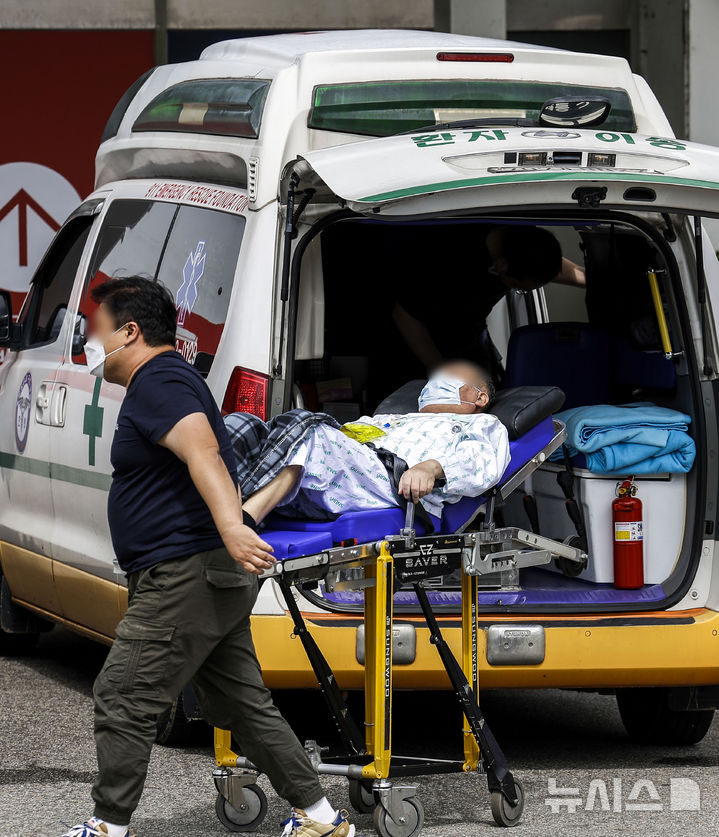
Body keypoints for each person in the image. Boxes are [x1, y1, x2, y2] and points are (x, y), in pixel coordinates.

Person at [61, 276, 356, 837]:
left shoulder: (161, 379)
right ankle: (320, 818)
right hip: (198, 573)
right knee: (242, 703)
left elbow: (203, 454)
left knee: (123, 695)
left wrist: (232, 526)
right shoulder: (165, 380)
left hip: (187, 573)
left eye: (94, 329)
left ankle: (106, 826)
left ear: (129, 331)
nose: (88, 343)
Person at [230, 361, 510, 526]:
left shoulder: (483, 424)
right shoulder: (395, 418)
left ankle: (244, 521)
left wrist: (431, 468)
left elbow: (481, 463)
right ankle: (214, 511)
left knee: (312, 432)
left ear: (480, 398)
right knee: (243, 425)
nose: (441, 377)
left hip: (396, 484)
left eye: (454, 375)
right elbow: (346, 436)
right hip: (346, 470)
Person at [391, 224, 586, 383]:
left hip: (472, 338)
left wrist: (591, 278)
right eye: (519, 288)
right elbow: (405, 313)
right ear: (501, 266)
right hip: (422, 343)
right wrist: (440, 368)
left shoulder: (521, 244)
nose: (520, 290)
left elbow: (550, 266)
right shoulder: (450, 257)